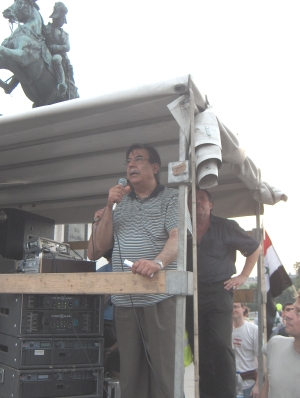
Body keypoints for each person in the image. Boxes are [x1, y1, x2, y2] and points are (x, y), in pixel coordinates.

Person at [87, 143, 191, 398]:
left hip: (160, 299)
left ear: (155, 167)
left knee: (165, 374)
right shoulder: (119, 203)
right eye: (128, 161)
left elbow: (178, 239)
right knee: (131, 376)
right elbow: (94, 251)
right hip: (125, 300)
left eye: (138, 159)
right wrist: (109, 206)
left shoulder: (172, 198)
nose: (131, 164)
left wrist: (158, 262)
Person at [186, 188, 261, 398]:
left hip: (219, 292)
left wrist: (243, 277)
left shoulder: (226, 226)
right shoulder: (183, 229)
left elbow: (254, 248)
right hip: (190, 293)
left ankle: (227, 394)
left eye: (202, 199)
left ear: (211, 205)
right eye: (192, 199)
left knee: (220, 344)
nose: (197, 202)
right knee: (198, 347)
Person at [259, 291, 300, 398]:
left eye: (298, 312)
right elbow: (266, 387)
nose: (287, 315)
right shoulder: (275, 345)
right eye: (292, 309)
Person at [44, 2, 75, 95]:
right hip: (45, 52)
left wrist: (55, 47)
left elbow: (67, 47)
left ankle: (61, 83)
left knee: (56, 59)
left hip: (59, 56)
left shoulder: (64, 34)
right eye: (61, 18)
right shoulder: (46, 28)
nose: (62, 21)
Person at [232, 302, 259, 398]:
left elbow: (262, 359)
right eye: (231, 307)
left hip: (249, 384)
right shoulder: (226, 330)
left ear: (243, 308)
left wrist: (257, 385)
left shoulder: (253, 330)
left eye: (236, 307)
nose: (233, 310)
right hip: (230, 384)